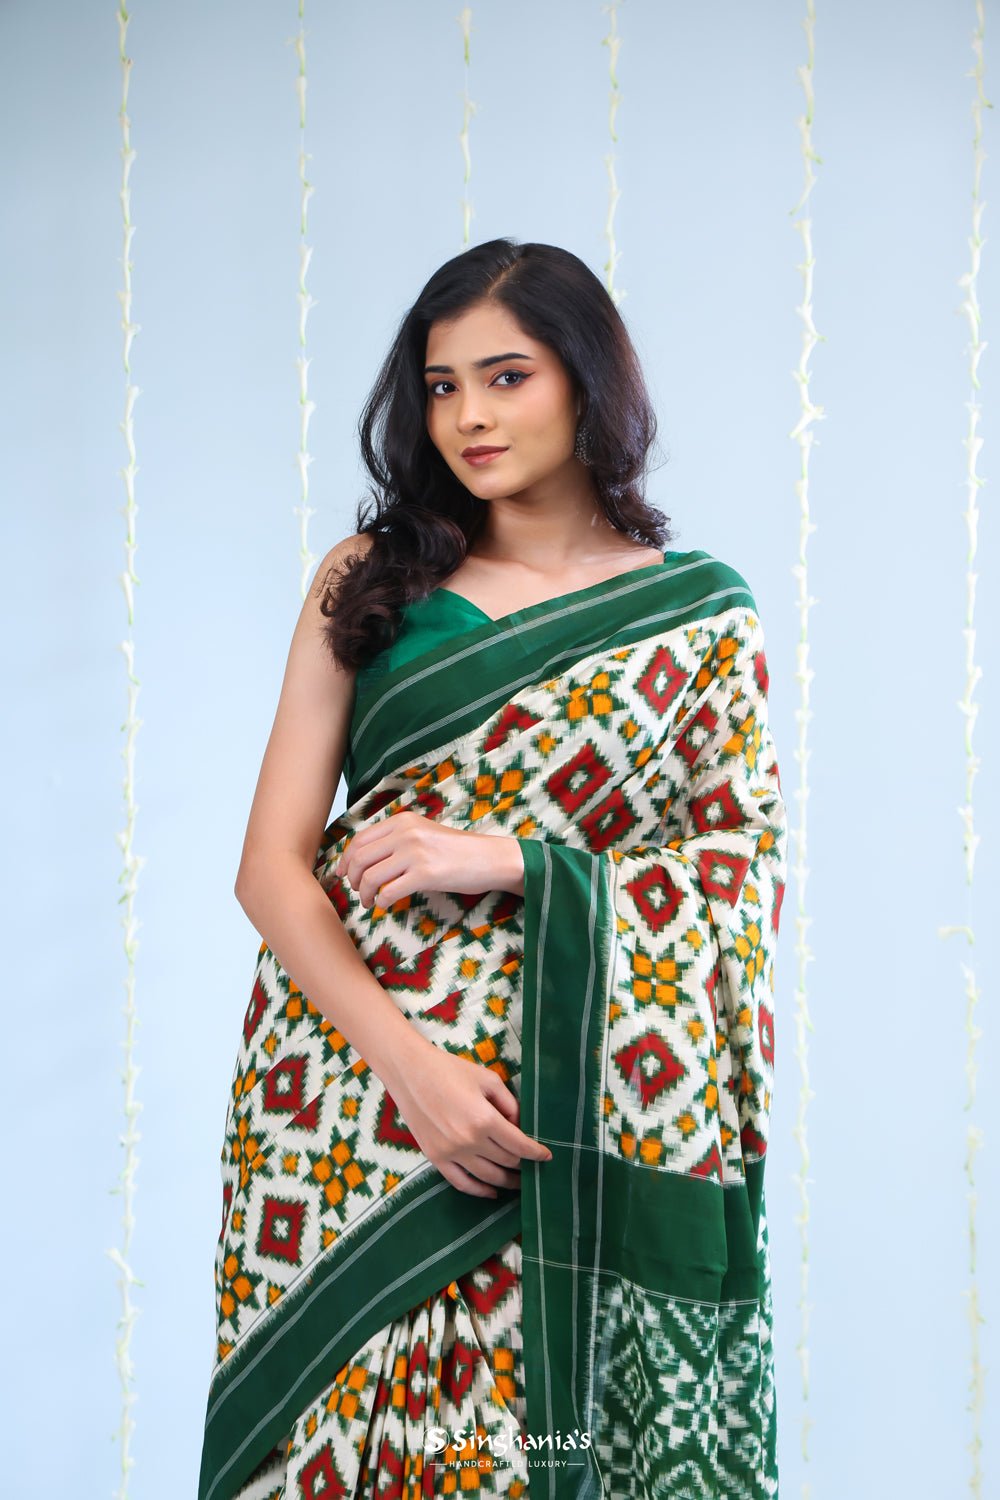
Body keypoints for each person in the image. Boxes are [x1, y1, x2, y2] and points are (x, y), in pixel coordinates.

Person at [197, 238, 788, 1500]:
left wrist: (512, 858)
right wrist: (411, 1073)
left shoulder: (698, 616)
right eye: (441, 385)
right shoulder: (370, 580)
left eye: (506, 376)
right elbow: (269, 868)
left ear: (586, 379)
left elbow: (739, 873)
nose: (468, 415)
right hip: (352, 1099)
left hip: (581, 1106)